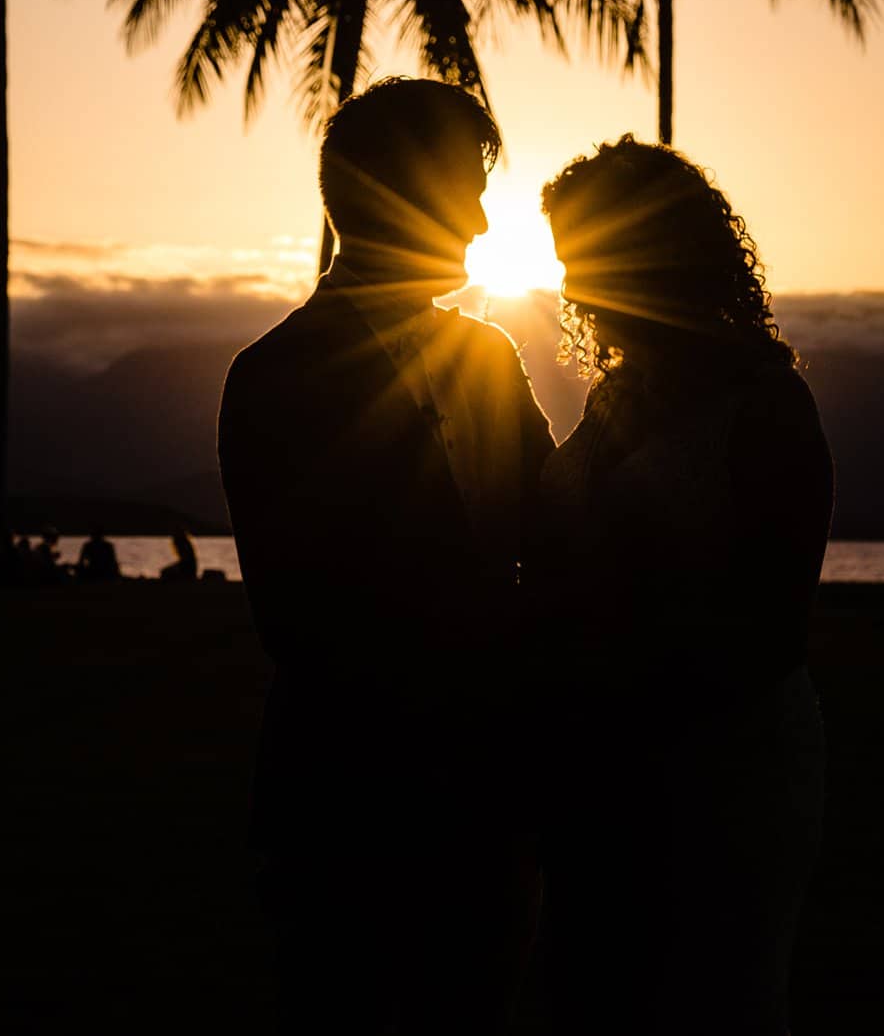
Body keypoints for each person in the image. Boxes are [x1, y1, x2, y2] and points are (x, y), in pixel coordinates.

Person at [217, 79, 553, 1033]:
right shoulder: (281, 374)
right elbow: (302, 614)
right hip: (350, 810)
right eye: (463, 186)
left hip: (489, 806)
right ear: (396, 189)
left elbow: (555, 528)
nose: (486, 220)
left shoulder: (488, 354)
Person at [532, 137, 835, 1034]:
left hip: (721, 768)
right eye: (565, 265)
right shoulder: (612, 398)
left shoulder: (766, 405)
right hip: (598, 763)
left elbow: (771, 629)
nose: (574, 288)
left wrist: (617, 700)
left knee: (714, 998)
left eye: (589, 260)